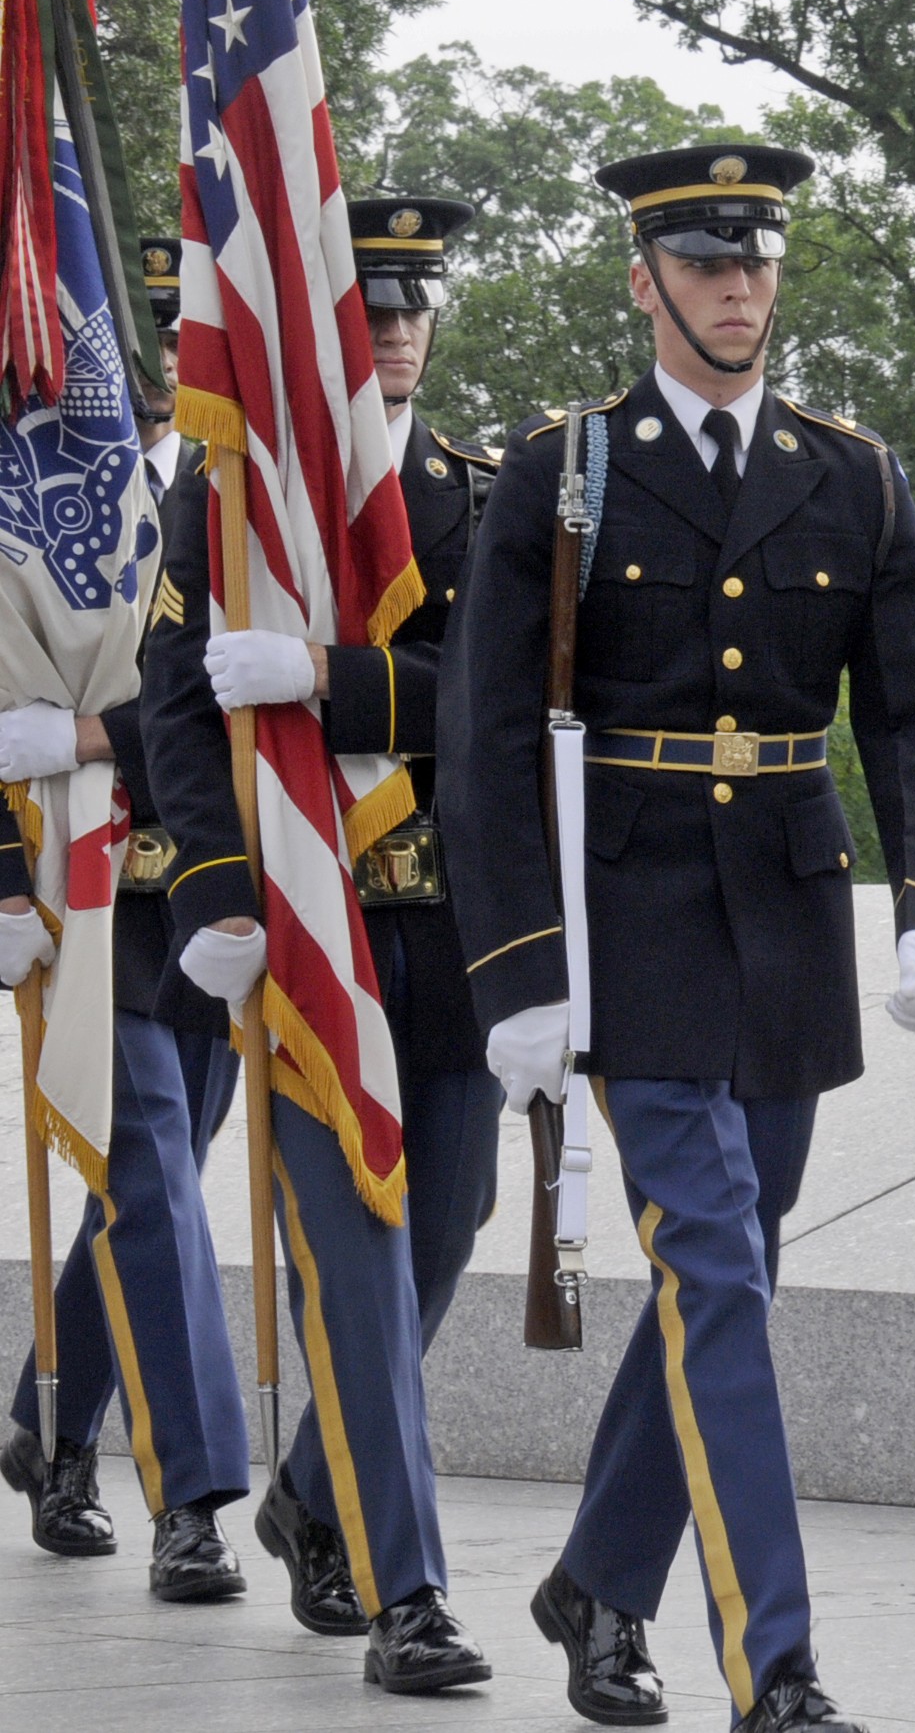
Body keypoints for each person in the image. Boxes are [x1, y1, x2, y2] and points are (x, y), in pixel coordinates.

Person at [439, 142, 915, 1733]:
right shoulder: (569, 468)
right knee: (720, 1275)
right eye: (705, 265)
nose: (738, 288)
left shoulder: (854, 472)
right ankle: (776, 1663)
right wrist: (522, 969)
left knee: (723, 1276)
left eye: (756, 263)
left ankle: (599, 1582)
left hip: (792, 914)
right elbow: (485, 737)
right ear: (645, 282)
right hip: (634, 920)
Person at [149, 197, 507, 1642]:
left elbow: (494, 706)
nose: (406, 327)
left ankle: (312, 1488)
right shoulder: (229, 497)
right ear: (325, 333)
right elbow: (178, 704)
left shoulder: (481, 498)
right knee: (349, 1259)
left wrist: (329, 676)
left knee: (445, 1231)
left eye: (422, 303)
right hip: (308, 933)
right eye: (378, 307)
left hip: (453, 934)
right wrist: (221, 886)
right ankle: (402, 1581)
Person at [0, 238, 253, 1601]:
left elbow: (222, 695)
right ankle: (194, 1498)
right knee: (148, 1173)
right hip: (85, 892)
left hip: (206, 879)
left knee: (144, 1190)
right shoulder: (36, 482)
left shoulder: (247, 500)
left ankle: (47, 1421)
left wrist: (92, 729)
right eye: (154, 335)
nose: (169, 365)